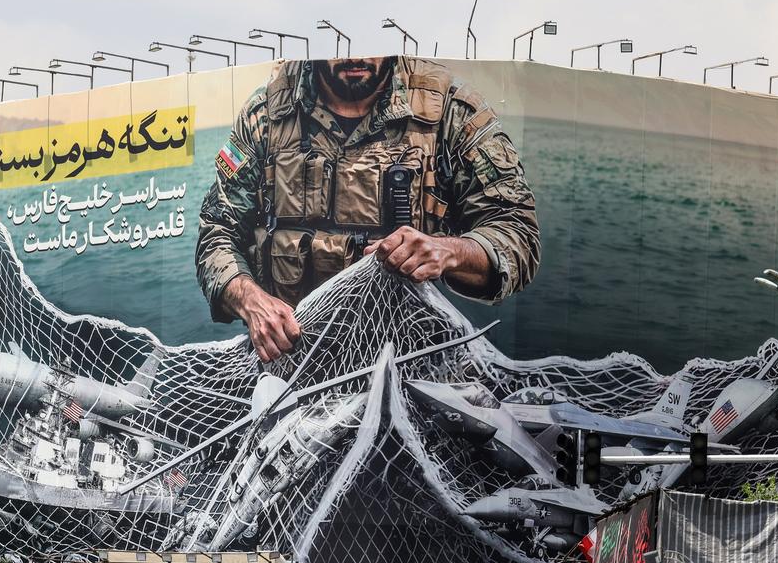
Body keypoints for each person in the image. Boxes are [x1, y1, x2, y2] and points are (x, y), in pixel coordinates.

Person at [197, 57, 540, 363]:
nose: (356, 55)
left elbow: (517, 232)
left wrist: (448, 251)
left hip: (412, 363)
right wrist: (250, 299)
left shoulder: (452, 112)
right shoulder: (266, 114)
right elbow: (217, 230)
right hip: (290, 364)